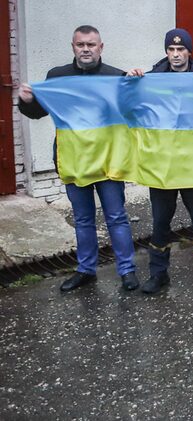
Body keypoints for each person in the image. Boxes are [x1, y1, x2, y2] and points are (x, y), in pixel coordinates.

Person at [17, 25, 139, 292]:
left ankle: (127, 270)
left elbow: (135, 110)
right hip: (73, 161)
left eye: (91, 44)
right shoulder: (57, 77)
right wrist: (26, 100)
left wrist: (135, 83)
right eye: (81, 44)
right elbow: (38, 112)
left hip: (107, 162)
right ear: (73, 46)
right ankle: (86, 270)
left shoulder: (115, 77)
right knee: (83, 220)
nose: (86, 49)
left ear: (101, 47)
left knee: (116, 217)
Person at [126, 28, 193, 294]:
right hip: (162, 165)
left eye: (181, 50)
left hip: (191, 164)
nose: (176, 55)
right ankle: (158, 273)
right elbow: (133, 105)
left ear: (189, 51)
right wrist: (131, 81)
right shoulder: (152, 79)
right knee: (160, 222)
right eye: (171, 50)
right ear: (166, 52)